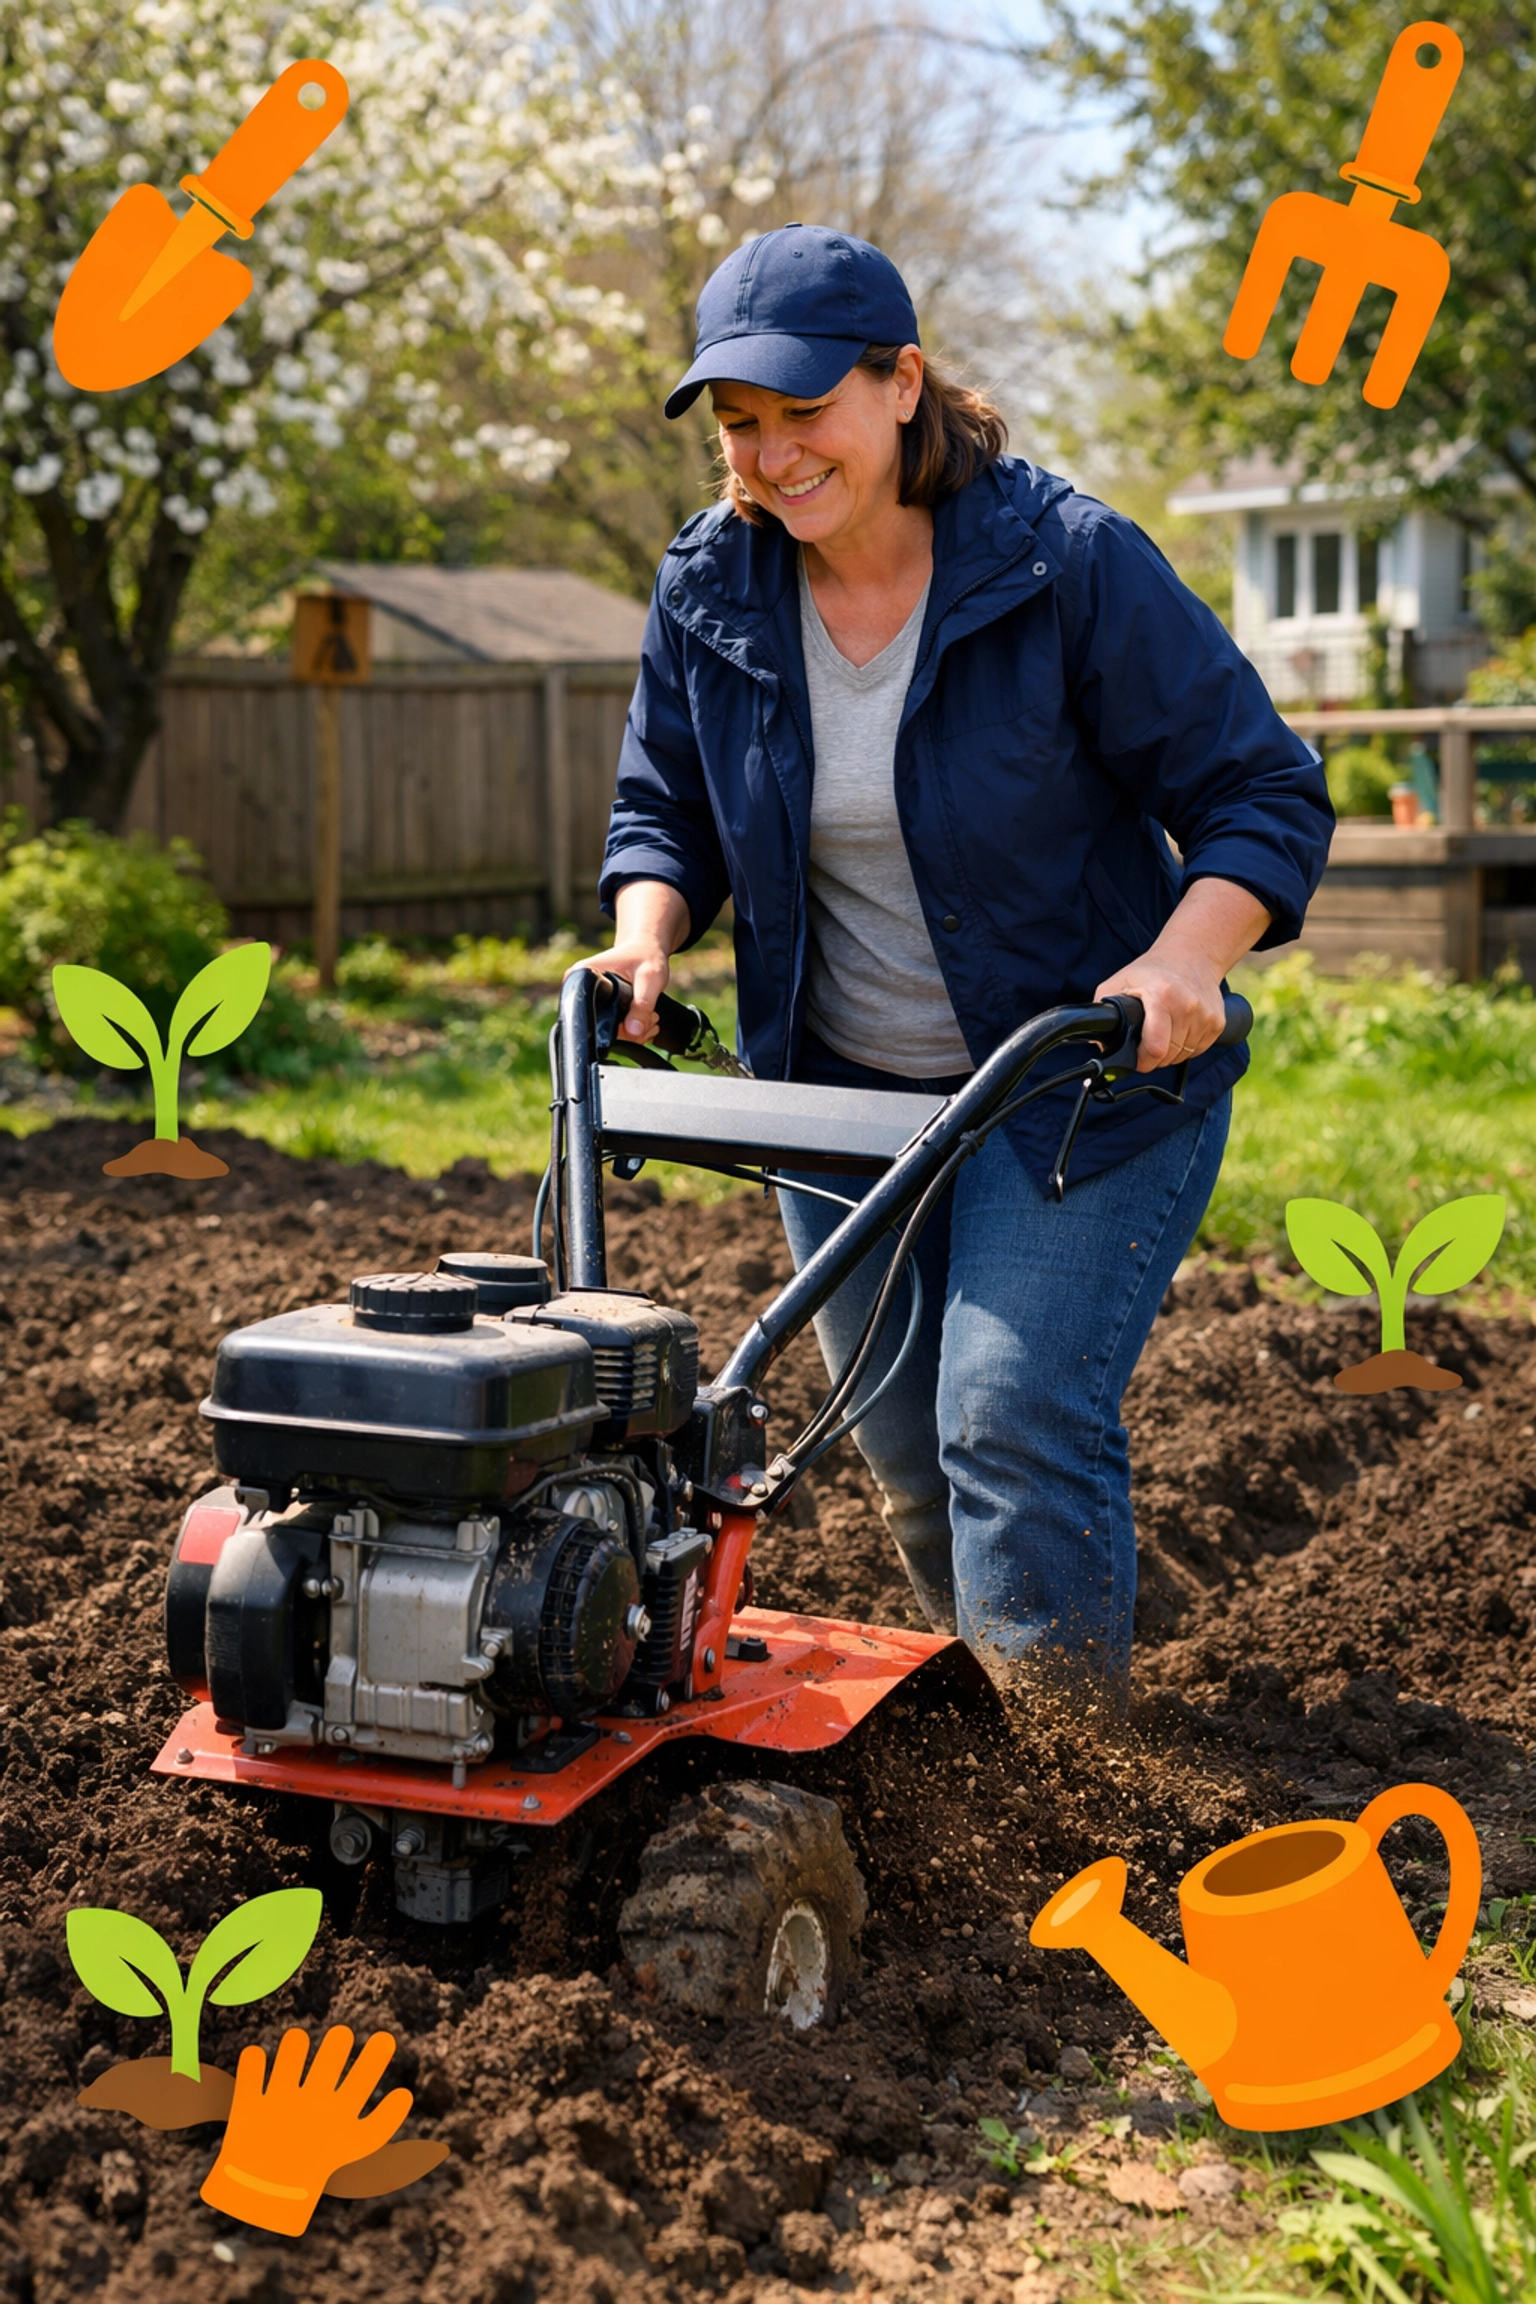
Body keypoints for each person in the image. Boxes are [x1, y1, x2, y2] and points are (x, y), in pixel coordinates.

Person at [586, 222, 1332, 1693]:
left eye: (807, 414)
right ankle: (999, 1731)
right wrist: (641, 940)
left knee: (1008, 1419)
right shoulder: (711, 588)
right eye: (741, 426)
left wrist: (1186, 959)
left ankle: (1072, 1779)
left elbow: (1263, 789)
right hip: (842, 1106)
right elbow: (661, 806)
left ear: (904, 382)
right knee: (910, 1456)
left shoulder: (1065, 566)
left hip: (1071, 1092)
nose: (774, 457)